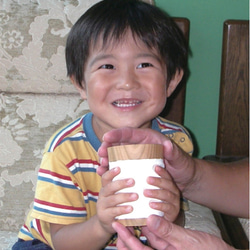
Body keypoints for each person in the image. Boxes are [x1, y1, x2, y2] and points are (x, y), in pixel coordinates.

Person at [12, 0, 194, 249]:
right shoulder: (65, 151)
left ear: (172, 81)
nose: (127, 82)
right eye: (107, 66)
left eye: (144, 65)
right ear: (80, 84)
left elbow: (177, 222)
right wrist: (101, 225)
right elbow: (62, 241)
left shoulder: (176, 143)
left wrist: (173, 214)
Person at [97, 127, 249, 249]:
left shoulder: (178, 136)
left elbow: (172, 223)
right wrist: (193, 176)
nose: (128, 86)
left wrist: (171, 218)